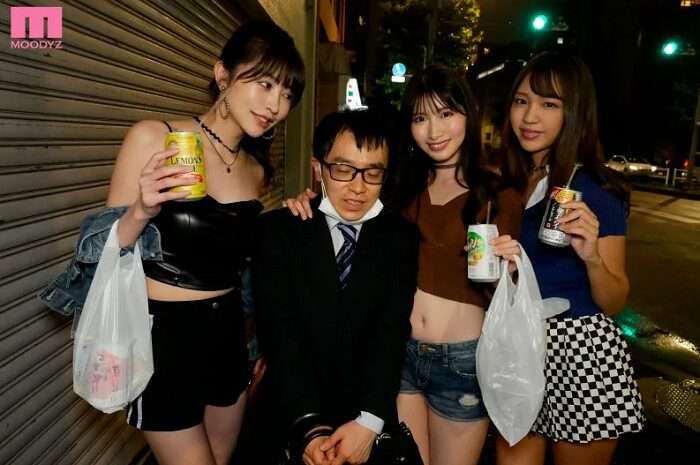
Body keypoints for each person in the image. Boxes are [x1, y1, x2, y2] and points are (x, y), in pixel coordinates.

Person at [40, 21, 305, 465]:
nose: (276, 105)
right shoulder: (153, 137)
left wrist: (294, 217)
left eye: (287, 93)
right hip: (162, 342)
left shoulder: (257, 170)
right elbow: (99, 255)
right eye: (264, 84)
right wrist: (141, 210)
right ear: (222, 74)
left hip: (229, 338)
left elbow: (243, 259)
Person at [284, 65, 523, 465]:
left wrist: (509, 271)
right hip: (400, 356)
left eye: (446, 113)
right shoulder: (399, 188)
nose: (434, 130)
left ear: (469, 115)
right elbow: (348, 207)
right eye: (420, 118)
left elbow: (505, 298)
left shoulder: (497, 194)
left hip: (461, 361)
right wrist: (309, 203)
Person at [496, 51, 645, 465]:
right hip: (519, 345)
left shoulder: (598, 189)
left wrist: (592, 256)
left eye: (549, 104)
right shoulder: (509, 183)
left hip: (580, 352)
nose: (530, 117)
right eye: (522, 101)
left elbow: (614, 301)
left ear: (574, 113)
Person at [252, 109, 419, 465]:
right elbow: (279, 336)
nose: (358, 187)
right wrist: (309, 428)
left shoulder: (399, 237)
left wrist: (368, 423)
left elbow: (391, 335)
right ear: (318, 168)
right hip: (291, 413)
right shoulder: (278, 232)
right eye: (343, 170)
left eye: (372, 173)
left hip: (365, 417)